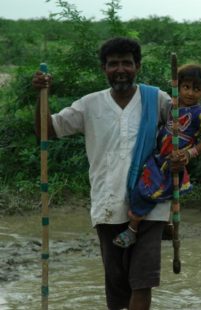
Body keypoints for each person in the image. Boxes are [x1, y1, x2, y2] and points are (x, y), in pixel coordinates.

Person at [32, 37, 186, 310]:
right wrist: (40, 96)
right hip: (107, 205)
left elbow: (184, 130)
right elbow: (47, 130)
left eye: (127, 63)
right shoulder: (89, 105)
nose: (120, 69)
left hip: (151, 204)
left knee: (142, 281)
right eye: (113, 64)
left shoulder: (157, 99)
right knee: (116, 286)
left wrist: (181, 156)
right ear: (104, 68)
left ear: (137, 66)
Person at [113, 64, 201, 248]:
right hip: (158, 157)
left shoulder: (199, 114)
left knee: (148, 191)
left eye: (196, 89)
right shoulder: (171, 105)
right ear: (178, 87)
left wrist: (189, 153)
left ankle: (132, 230)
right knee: (152, 189)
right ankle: (166, 225)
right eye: (186, 87)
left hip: (173, 162)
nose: (190, 93)